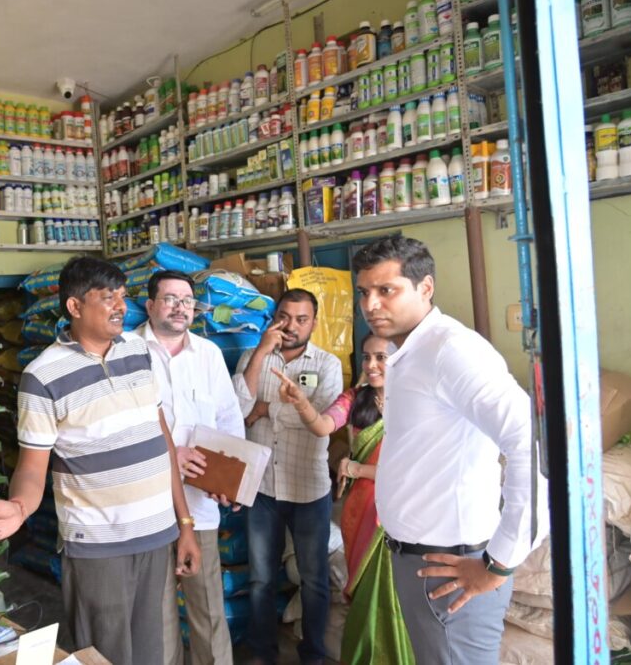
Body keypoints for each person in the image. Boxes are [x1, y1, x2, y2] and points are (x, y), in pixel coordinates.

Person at [0, 256, 201, 665]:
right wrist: (18, 508)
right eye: (107, 297)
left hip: (157, 534)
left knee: (152, 653)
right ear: (75, 306)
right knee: (106, 656)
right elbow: (32, 466)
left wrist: (184, 523)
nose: (121, 305)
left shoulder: (138, 351)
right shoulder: (43, 376)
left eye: (123, 295)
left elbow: (161, 438)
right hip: (99, 544)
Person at [351, 236, 546, 665]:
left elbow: (528, 445)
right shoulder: (407, 353)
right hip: (417, 560)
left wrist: (499, 563)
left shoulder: (451, 350)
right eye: (364, 292)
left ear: (425, 288)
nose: (371, 304)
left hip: (452, 567)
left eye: (387, 290)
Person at [273, 334, 415, 665]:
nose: (371, 365)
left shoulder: (416, 403)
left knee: (398, 598)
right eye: (367, 357)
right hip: (362, 512)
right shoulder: (354, 399)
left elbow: (411, 471)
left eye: (381, 357)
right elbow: (323, 426)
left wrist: (357, 468)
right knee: (366, 597)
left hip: (401, 513)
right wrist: (301, 403)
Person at [136, 270, 244, 665]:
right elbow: (123, 428)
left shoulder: (208, 354)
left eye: (187, 300)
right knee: (158, 610)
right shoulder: (129, 351)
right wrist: (171, 455)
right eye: (170, 298)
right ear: (150, 305)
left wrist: (229, 479)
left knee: (209, 609)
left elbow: (228, 420)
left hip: (199, 505)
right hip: (147, 505)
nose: (180, 307)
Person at [232, 288, 343, 665]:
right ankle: (263, 652)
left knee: (313, 580)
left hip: (307, 488)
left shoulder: (327, 365)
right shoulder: (253, 356)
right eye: (285, 317)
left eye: (301, 319)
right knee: (261, 579)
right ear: (274, 317)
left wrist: (262, 409)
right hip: (261, 486)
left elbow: (319, 421)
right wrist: (262, 352)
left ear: (313, 322)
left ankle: (312, 655)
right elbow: (234, 408)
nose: (291, 326)